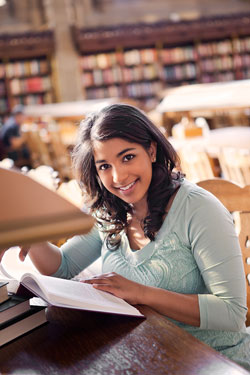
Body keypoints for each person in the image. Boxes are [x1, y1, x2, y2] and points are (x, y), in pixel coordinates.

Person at [0, 104, 249, 370]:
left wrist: (142, 293)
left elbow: (232, 313)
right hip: (148, 352)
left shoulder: (199, 209)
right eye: (105, 166)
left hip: (214, 360)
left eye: (128, 157)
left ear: (151, 150)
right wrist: (31, 235)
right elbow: (62, 268)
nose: (119, 177)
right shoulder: (110, 209)